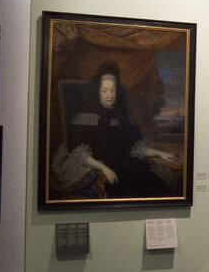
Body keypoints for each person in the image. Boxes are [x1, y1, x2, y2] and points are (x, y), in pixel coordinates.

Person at [50, 62, 174, 198]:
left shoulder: (122, 117)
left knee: (155, 184)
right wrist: (103, 168)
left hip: (123, 166)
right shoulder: (84, 117)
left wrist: (158, 153)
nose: (110, 95)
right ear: (97, 92)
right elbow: (81, 154)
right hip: (102, 166)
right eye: (105, 91)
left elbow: (134, 147)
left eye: (113, 90)